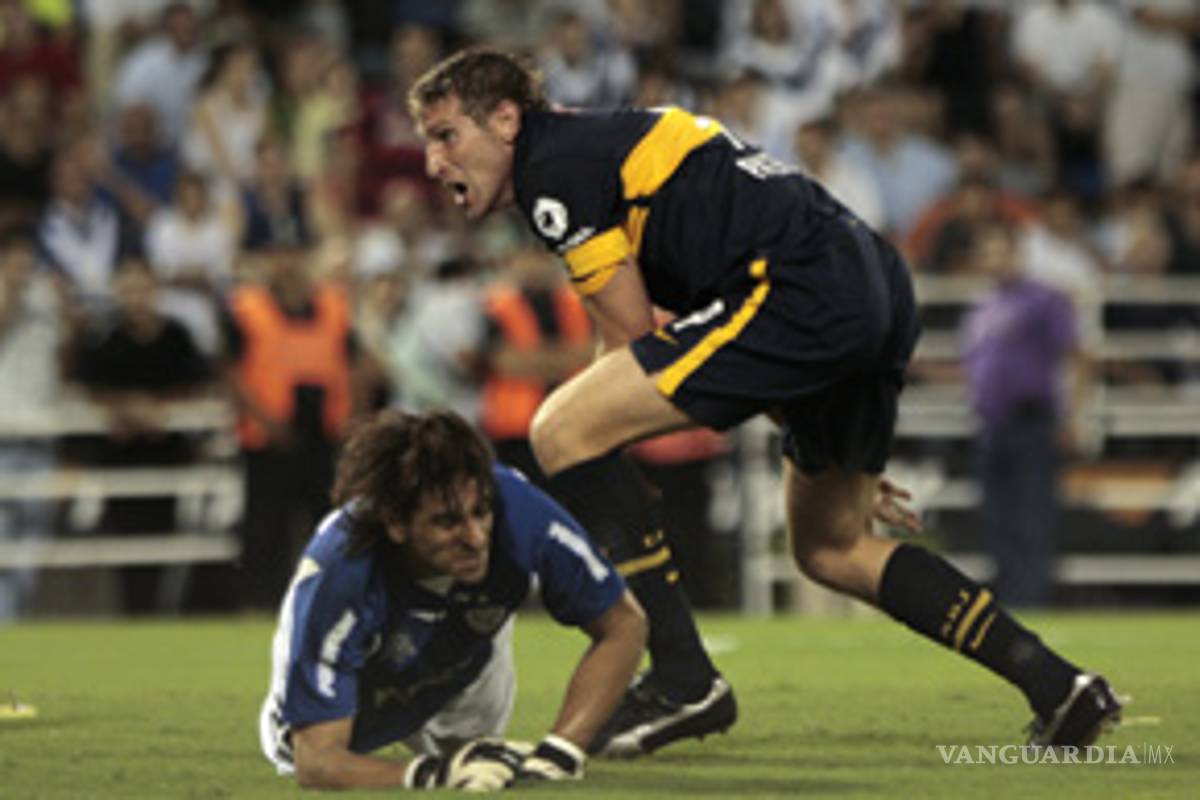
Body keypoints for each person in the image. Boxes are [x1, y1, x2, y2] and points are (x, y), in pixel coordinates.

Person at [407, 48, 1123, 756]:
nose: (435, 163)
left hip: (797, 289)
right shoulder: (596, 140)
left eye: (447, 136)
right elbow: (726, 326)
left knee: (561, 430)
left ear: (506, 119)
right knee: (831, 545)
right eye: (427, 142)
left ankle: (685, 678)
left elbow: (625, 339)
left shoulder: (549, 169)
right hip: (865, 282)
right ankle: (1058, 686)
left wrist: (600, 466)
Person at [259, 409, 646, 790]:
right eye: (447, 521)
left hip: (465, 658)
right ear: (395, 521)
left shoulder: (521, 511)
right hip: (367, 677)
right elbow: (316, 764)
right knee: (303, 751)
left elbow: (624, 624)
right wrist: (432, 775)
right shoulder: (339, 571)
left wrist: (561, 752)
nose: (476, 538)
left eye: (481, 513)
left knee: (483, 773)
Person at [962, 221, 1088, 607]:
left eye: (1000, 251)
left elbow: (1078, 357)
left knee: (1032, 517)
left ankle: (1032, 601)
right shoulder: (982, 308)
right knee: (997, 519)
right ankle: (1011, 602)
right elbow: (974, 368)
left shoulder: (1043, 299)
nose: (993, 260)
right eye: (987, 253)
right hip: (991, 423)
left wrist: (1072, 416)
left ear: (1017, 254)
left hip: (1031, 420)